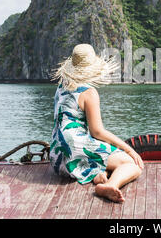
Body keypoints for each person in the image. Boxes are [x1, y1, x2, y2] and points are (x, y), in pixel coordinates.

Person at [50, 44, 143, 203]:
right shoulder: (88, 92)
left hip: (57, 157)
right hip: (75, 148)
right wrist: (130, 150)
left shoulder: (61, 87)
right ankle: (110, 186)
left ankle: (98, 174)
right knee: (132, 165)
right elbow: (97, 132)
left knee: (104, 158)